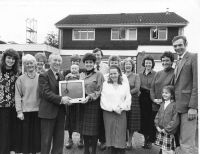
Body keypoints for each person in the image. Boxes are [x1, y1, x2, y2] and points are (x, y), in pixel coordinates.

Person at [38, 53, 72, 154]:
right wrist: (62, 99)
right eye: (55, 60)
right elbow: (46, 93)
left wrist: (68, 100)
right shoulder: (43, 75)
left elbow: (64, 92)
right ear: (49, 61)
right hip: (48, 113)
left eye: (59, 61)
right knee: (46, 140)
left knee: (59, 140)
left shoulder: (61, 76)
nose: (57, 62)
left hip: (60, 113)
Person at [172, 35, 198, 154]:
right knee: (180, 141)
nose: (177, 48)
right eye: (175, 46)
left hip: (188, 107)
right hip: (178, 106)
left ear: (186, 44)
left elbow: (196, 83)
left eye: (180, 45)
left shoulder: (193, 57)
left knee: (187, 143)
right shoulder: (178, 61)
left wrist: (193, 107)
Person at [100, 65, 131, 154]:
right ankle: (112, 150)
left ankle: (121, 150)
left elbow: (128, 97)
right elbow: (103, 99)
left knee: (121, 132)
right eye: (111, 74)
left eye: (115, 73)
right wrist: (113, 108)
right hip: (108, 112)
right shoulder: (105, 84)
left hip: (121, 112)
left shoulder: (124, 85)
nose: (113, 75)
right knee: (110, 132)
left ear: (119, 74)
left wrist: (121, 108)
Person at [15, 54, 41, 153]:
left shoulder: (41, 77)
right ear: (24, 65)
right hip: (25, 111)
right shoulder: (20, 79)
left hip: (38, 111)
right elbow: (17, 96)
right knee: (25, 136)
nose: (29, 65)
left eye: (31, 63)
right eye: (27, 63)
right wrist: (19, 111)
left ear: (35, 64)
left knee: (35, 136)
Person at [80, 53, 104, 154]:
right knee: (84, 129)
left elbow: (100, 90)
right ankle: (86, 150)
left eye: (91, 62)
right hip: (82, 105)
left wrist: (90, 97)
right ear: (84, 63)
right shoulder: (81, 75)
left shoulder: (99, 74)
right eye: (87, 62)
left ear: (94, 63)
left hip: (93, 104)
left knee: (93, 130)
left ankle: (93, 150)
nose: (88, 64)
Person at [150, 51, 175, 144]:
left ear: (172, 61)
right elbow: (152, 88)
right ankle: (161, 148)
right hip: (156, 105)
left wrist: (164, 100)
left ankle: (167, 149)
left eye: (167, 60)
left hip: (167, 106)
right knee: (158, 127)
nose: (164, 62)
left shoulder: (174, 73)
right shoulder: (158, 73)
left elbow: (174, 89)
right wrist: (154, 99)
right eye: (163, 60)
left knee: (166, 127)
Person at [0, 48, 20, 154]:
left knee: (11, 130)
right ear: (4, 58)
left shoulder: (17, 73)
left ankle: (10, 151)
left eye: (13, 59)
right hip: (1, 107)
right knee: (3, 131)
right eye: (9, 58)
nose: (11, 60)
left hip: (13, 106)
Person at [64, 54, 84, 149]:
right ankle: (70, 138)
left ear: (79, 63)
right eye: (73, 61)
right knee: (70, 119)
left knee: (81, 119)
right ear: (71, 63)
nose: (75, 63)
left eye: (77, 61)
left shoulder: (82, 74)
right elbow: (63, 86)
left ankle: (81, 139)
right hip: (70, 101)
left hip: (79, 102)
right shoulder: (66, 74)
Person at [155, 85, 179, 154]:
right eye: (163, 92)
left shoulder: (174, 105)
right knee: (162, 149)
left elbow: (175, 120)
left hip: (168, 132)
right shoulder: (162, 104)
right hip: (161, 130)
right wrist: (157, 126)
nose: (164, 94)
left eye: (166, 93)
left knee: (169, 151)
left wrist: (166, 129)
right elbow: (157, 115)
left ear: (172, 95)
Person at [92, 48, 109, 150]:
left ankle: (102, 141)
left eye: (98, 54)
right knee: (94, 120)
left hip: (104, 97)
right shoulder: (90, 66)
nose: (97, 56)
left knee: (102, 120)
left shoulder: (106, 67)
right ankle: (93, 141)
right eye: (95, 55)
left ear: (101, 56)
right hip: (93, 97)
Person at [139, 55, 156, 149]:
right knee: (144, 120)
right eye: (146, 63)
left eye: (149, 62)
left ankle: (150, 141)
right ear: (144, 64)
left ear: (152, 64)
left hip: (151, 98)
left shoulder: (156, 74)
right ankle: (145, 139)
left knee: (151, 120)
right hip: (142, 99)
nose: (148, 64)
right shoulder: (140, 74)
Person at [123, 57, 141, 150]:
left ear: (132, 66)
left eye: (129, 64)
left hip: (133, 100)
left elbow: (137, 88)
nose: (128, 66)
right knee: (124, 121)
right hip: (122, 100)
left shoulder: (136, 76)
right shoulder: (121, 76)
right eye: (126, 65)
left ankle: (129, 142)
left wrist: (127, 94)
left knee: (131, 123)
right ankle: (124, 141)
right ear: (124, 66)